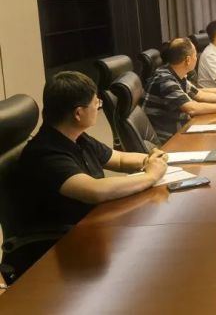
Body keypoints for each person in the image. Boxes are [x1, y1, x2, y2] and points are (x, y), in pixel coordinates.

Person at [18, 71, 168, 229]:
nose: (99, 107)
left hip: (96, 220)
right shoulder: (45, 154)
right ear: (78, 113)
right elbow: (95, 190)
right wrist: (151, 176)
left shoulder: (77, 137)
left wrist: (150, 160)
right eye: (97, 104)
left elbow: (119, 159)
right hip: (68, 236)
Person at [144, 38, 216, 143]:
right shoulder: (165, 80)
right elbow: (192, 109)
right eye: (195, 55)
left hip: (181, 128)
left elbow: (199, 94)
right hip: (169, 139)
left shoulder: (174, 72)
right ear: (188, 60)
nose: (196, 58)